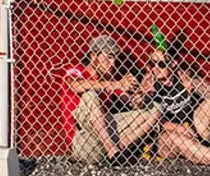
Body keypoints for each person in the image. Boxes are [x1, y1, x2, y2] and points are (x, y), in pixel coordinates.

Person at [61, 34, 163, 165]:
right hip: (83, 140)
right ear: (93, 57)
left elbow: (133, 103)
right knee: (91, 95)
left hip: (105, 139)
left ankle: (117, 153)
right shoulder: (77, 71)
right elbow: (75, 86)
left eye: (114, 58)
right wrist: (117, 84)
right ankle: (112, 152)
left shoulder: (110, 80)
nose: (112, 63)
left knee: (155, 108)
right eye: (108, 57)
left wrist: (142, 95)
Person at [140, 49, 210, 166]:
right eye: (152, 63)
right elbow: (138, 110)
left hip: (196, 129)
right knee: (174, 137)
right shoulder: (148, 84)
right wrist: (144, 94)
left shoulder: (185, 77)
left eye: (161, 64)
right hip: (166, 138)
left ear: (173, 64)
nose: (156, 67)